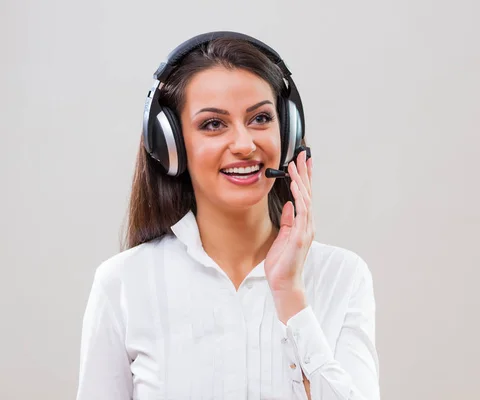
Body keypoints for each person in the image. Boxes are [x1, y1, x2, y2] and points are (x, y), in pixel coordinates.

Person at [76, 31, 380, 400]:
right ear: (171, 145)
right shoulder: (122, 284)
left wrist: (290, 297)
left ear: (288, 129)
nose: (244, 144)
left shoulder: (342, 277)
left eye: (261, 118)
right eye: (213, 124)